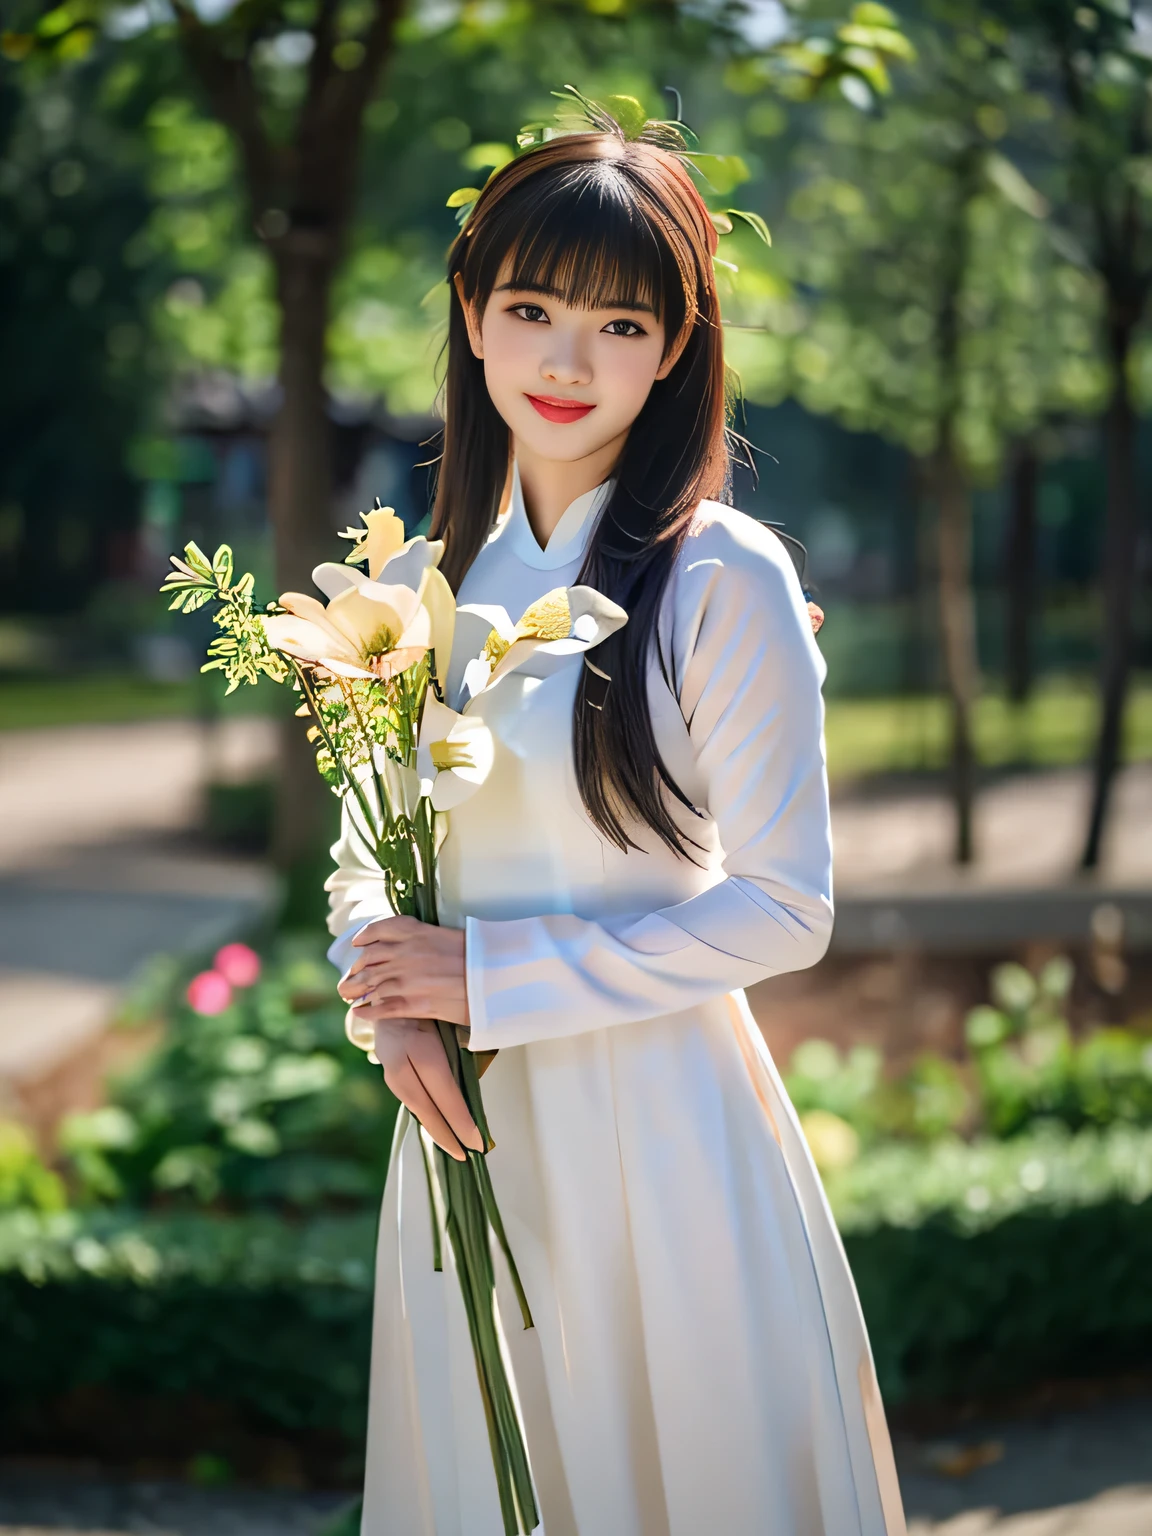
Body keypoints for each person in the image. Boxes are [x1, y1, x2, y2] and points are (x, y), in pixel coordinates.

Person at [326, 110, 907, 1536]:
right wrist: (394, 1004)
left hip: (663, 1130)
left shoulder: (723, 579)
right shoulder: (418, 583)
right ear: (472, 319)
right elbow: (363, 847)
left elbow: (788, 903)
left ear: (675, 346)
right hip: (464, 1128)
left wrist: (494, 978)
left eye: (619, 322)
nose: (568, 362)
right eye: (529, 309)